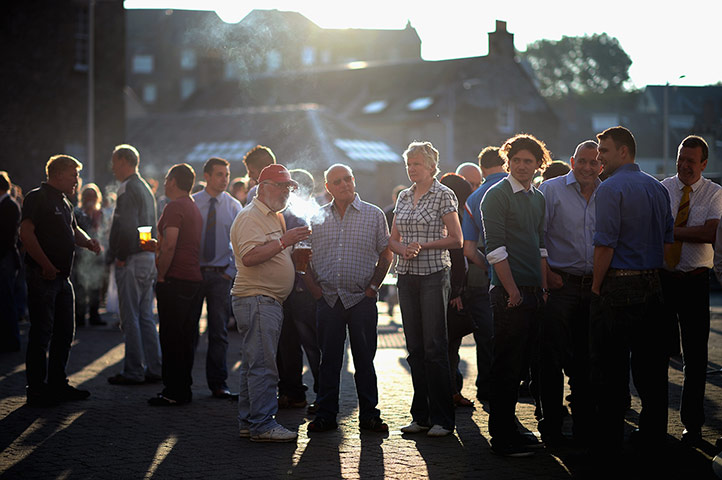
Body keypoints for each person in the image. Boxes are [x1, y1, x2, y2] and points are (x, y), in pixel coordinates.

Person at [590, 126, 673, 453]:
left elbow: (605, 245)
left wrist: (596, 288)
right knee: (652, 372)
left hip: (619, 288)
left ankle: (609, 443)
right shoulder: (657, 188)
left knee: (609, 370)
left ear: (624, 151)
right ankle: (653, 438)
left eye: (604, 152)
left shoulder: (610, 189)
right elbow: (668, 243)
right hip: (654, 286)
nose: (599, 159)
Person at [305, 164, 393, 433]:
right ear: (328, 187)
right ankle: (326, 415)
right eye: (337, 181)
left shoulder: (374, 214)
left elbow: (386, 255)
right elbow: (304, 258)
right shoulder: (317, 217)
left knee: (365, 361)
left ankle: (369, 415)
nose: (344, 184)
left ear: (354, 181)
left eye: (348, 179)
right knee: (328, 361)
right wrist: (316, 292)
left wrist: (373, 288)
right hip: (328, 300)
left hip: (361, 301)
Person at [481, 134, 551, 457]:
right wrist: (511, 291)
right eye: (517, 160)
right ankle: (502, 437)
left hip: (534, 293)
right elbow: (494, 249)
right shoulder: (496, 196)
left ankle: (512, 428)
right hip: (510, 294)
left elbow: (540, 245)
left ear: (539, 165)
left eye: (529, 161)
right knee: (506, 367)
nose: (523, 166)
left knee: (523, 368)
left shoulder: (537, 197)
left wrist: (544, 284)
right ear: (508, 161)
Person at [230, 163, 311, 442]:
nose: (287, 192)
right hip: (257, 298)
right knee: (264, 365)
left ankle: (248, 421)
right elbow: (250, 256)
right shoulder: (251, 216)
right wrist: (285, 241)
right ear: (264, 187)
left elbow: (273, 253)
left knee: (255, 363)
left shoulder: (274, 216)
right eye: (282, 186)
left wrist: (293, 252)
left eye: (289, 187)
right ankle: (263, 424)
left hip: (266, 299)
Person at [390, 141, 463, 438]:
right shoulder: (404, 197)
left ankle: (443, 419)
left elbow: (457, 239)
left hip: (434, 274)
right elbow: (391, 239)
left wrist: (422, 247)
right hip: (406, 276)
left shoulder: (444, 195)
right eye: (409, 164)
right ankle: (420, 416)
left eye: (417, 164)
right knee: (415, 350)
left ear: (432, 166)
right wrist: (402, 249)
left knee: (435, 347)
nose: (411, 168)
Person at [20, 155, 101, 406]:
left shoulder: (65, 201)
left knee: (66, 332)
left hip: (62, 279)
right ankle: (36, 389)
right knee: (42, 333)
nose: (77, 180)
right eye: (74, 174)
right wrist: (45, 264)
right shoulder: (37, 197)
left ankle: (57, 384)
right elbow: (26, 232)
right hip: (43, 276)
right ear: (57, 174)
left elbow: (72, 230)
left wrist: (87, 242)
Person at [536, 140, 601, 446]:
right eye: (583, 161)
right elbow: (538, 235)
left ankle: (585, 428)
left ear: (601, 165)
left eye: (594, 162)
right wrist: (546, 274)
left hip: (593, 287)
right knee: (551, 360)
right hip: (560, 286)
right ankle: (550, 428)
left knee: (587, 362)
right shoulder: (552, 190)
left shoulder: (608, 193)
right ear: (573, 161)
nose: (588, 167)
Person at [661, 136, 722, 445]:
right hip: (664, 280)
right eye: (680, 159)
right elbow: (652, 228)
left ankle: (693, 426)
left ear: (704, 165)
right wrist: (684, 233)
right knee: (655, 353)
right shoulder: (663, 188)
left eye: (691, 161)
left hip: (696, 281)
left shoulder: (715, 194)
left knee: (695, 358)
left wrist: (671, 231)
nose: (684, 166)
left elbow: (711, 232)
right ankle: (654, 424)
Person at [148, 163, 204, 406]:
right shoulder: (192, 207)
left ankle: (173, 391)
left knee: (171, 337)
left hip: (176, 279)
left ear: (172, 181)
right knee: (186, 337)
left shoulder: (173, 207)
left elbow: (171, 244)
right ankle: (183, 388)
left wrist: (161, 275)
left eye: (167, 178)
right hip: (193, 278)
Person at [107, 145, 162, 385]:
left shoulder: (128, 187)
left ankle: (133, 370)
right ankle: (154, 367)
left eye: (114, 162)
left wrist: (120, 253)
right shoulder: (145, 188)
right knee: (145, 316)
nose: (112, 167)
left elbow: (127, 225)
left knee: (130, 317)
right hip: (147, 256)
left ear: (123, 161)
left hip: (131, 257)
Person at [190, 157, 242, 400]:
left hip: (220, 275)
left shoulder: (233, 206)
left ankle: (218, 384)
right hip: (194, 274)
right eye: (219, 174)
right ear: (207, 176)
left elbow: (240, 245)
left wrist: (229, 272)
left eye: (227, 175)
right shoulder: (192, 203)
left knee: (218, 331)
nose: (224, 180)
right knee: (188, 330)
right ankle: (182, 383)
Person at [461, 146, 506, 401]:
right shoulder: (521, 191)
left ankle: (486, 386)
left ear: (482, 168)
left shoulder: (473, 198)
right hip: (523, 275)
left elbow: (468, 250)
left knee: (486, 336)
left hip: (483, 278)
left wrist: (489, 266)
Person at [277, 169, 321, 412]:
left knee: (309, 344)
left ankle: (321, 396)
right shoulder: (286, 212)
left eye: (286, 186)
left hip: (302, 289)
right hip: (289, 289)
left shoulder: (308, 213)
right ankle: (294, 393)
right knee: (288, 343)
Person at [439, 173, 475, 408]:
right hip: (451, 293)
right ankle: (451, 391)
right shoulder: (455, 219)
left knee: (447, 344)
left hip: (445, 290)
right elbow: (459, 259)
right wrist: (458, 293)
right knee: (450, 345)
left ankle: (450, 390)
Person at [72, 183, 106, 327]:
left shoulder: (100, 214)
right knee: (80, 286)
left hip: (96, 255)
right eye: (88, 196)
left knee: (95, 285)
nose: (90, 199)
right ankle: (79, 317)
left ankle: (94, 315)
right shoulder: (77, 213)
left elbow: (104, 233)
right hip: (81, 255)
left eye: (93, 196)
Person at [0, 171, 22, 353]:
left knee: (7, 299)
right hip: (5, 256)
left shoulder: (9, 206)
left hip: (5, 257)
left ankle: (12, 340)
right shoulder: (7, 205)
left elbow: (7, 236)